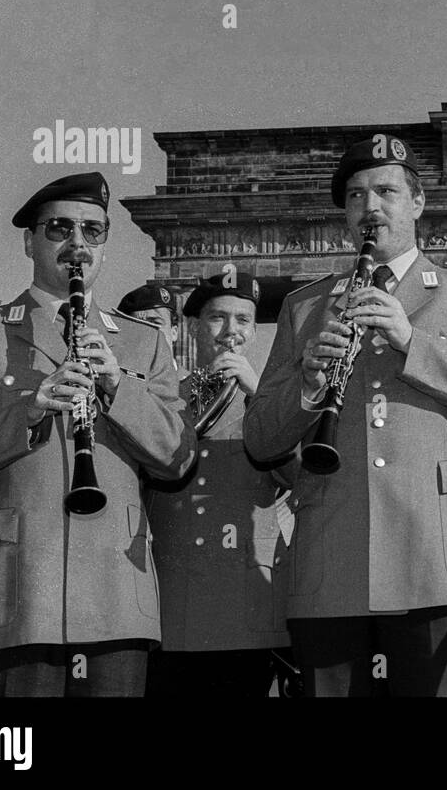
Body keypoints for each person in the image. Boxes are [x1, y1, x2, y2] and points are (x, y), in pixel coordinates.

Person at [244, 134, 447, 697]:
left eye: (385, 192)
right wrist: (305, 386)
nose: (369, 207)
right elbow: (260, 439)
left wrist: (411, 341)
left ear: (418, 203)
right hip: (332, 555)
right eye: (354, 196)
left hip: (435, 557)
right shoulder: (305, 305)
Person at [0, 171, 196, 697]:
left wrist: (116, 386)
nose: (77, 244)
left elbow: (177, 459)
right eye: (60, 229)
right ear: (29, 241)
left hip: (117, 597)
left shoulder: (142, 343)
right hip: (14, 596)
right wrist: (28, 409)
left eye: (93, 231)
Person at [146, 271, 295, 697]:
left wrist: (260, 396)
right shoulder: (163, 397)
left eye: (243, 320)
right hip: (175, 600)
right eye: (217, 318)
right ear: (194, 326)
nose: (231, 332)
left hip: (245, 597)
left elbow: (304, 479)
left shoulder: (274, 399)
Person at [118, 284, 180, 363]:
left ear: (174, 332)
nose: (147, 332)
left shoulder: (190, 376)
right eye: (137, 326)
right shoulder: (114, 374)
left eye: (155, 323)